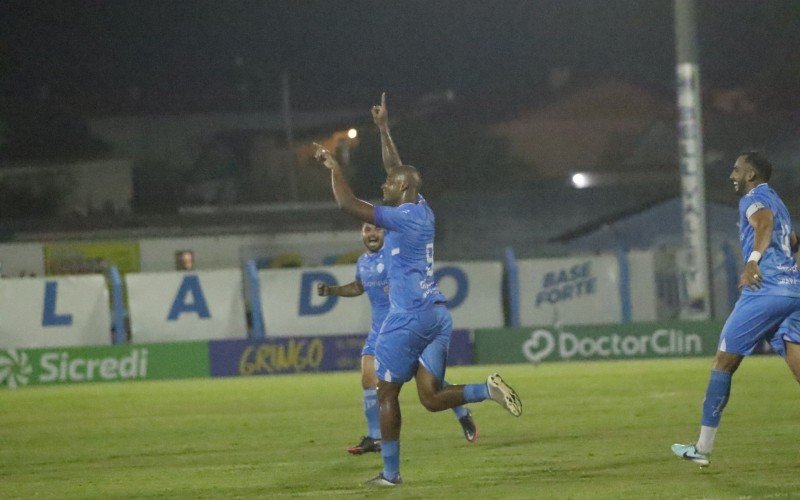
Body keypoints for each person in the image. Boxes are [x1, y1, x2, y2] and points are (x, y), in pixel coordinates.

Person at [313, 93, 522, 487]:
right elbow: (397, 168)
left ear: (403, 187)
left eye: (389, 183)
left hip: (407, 315)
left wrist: (335, 166)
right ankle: (485, 391)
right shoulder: (421, 207)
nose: (383, 183)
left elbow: (347, 203)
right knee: (429, 397)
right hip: (436, 316)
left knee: (385, 392)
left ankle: (390, 475)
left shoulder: (403, 218)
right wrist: (384, 129)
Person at [672, 151, 800, 467]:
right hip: (793, 289)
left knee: (723, 362)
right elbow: (792, 241)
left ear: (750, 175)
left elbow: (764, 223)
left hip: (765, 290)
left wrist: (752, 262)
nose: (732, 174)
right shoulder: (779, 201)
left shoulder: (754, 199)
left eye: (736, 169)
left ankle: (701, 449)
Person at [317, 222, 478, 455]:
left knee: (427, 381)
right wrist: (332, 290)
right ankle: (374, 437)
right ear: (362, 234)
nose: (372, 233)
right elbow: (359, 286)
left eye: (377, 229)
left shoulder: (396, 257)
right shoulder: (363, 261)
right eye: (367, 230)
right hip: (378, 330)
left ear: (386, 232)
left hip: (403, 326)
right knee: (367, 378)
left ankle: (461, 410)